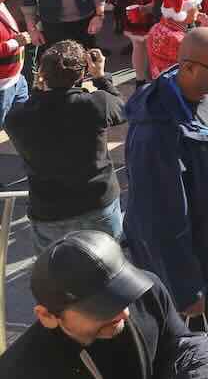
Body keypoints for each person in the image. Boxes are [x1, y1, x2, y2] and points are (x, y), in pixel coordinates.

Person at [123, 27, 208, 328]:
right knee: (204, 360)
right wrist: (185, 288)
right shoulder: (156, 131)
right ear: (188, 68)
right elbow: (158, 219)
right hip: (201, 273)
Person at [0, 230, 190, 378]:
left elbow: (185, 350)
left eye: (124, 293)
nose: (124, 313)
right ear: (47, 316)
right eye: (101, 308)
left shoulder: (147, 294)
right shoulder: (19, 371)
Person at [5, 41, 127, 248]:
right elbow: (121, 108)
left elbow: (36, 108)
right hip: (96, 203)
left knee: (56, 276)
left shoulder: (16, 119)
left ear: (42, 73)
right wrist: (100, 77)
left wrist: (38, 88)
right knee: (110, 272)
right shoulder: (95, 105)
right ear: (81, 75)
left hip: (48, 211)